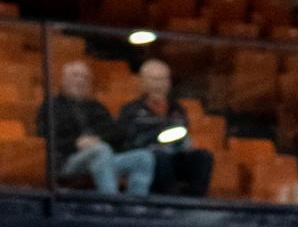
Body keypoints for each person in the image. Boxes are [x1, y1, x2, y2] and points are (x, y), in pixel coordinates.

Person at [35, 61, 154, 196]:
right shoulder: (51, 107)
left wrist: (97, 139)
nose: (81, 80)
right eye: (75, 75)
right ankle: (111, 202)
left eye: (85, 77)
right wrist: (77, 143)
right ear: (63, 80)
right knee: (101, 150)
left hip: (103, 157)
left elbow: (116, 133)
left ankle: (136, 206)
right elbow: (44, 140)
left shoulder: (97, 107)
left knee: (143, 157)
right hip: (67, 161)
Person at [117, 59, 214, 197]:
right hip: (150, 158)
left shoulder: (178, 110)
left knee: (203, 156)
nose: (159, 85)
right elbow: (127, 143)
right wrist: (157, 136)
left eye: (163, 79)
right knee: (160, 157)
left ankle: (194, 201)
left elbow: (183, 135)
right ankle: (172, 201)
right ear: (143, 82)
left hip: (175, 156)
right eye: (154, 80)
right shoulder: (130, 110)